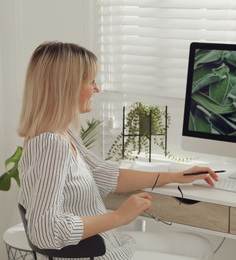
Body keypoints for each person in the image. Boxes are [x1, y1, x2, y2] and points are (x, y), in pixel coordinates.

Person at [17, 41, 218, 260]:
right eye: (91, 81)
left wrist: (176, 176)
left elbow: (108, 176)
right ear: (67, 87)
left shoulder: (66, 134)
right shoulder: (51, 145)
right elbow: (44, 230)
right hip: (96, 254)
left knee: (199, 246)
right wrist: (120, 216)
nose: (97, 88)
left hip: (110, 243)